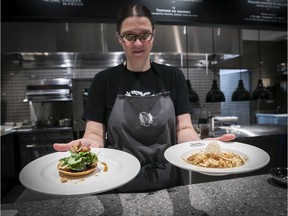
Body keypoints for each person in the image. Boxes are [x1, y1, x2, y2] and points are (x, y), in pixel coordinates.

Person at [53, 3, 235, 192]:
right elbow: (95, 133)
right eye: (129, 36)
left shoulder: (173, 76)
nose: (138, 43)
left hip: (169, 181)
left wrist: (200, 146)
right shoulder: (104, 80)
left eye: (144, 35)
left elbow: (184, 128)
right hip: (117, 181)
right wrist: (88, 144)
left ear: (153, 35)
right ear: (119, 38)